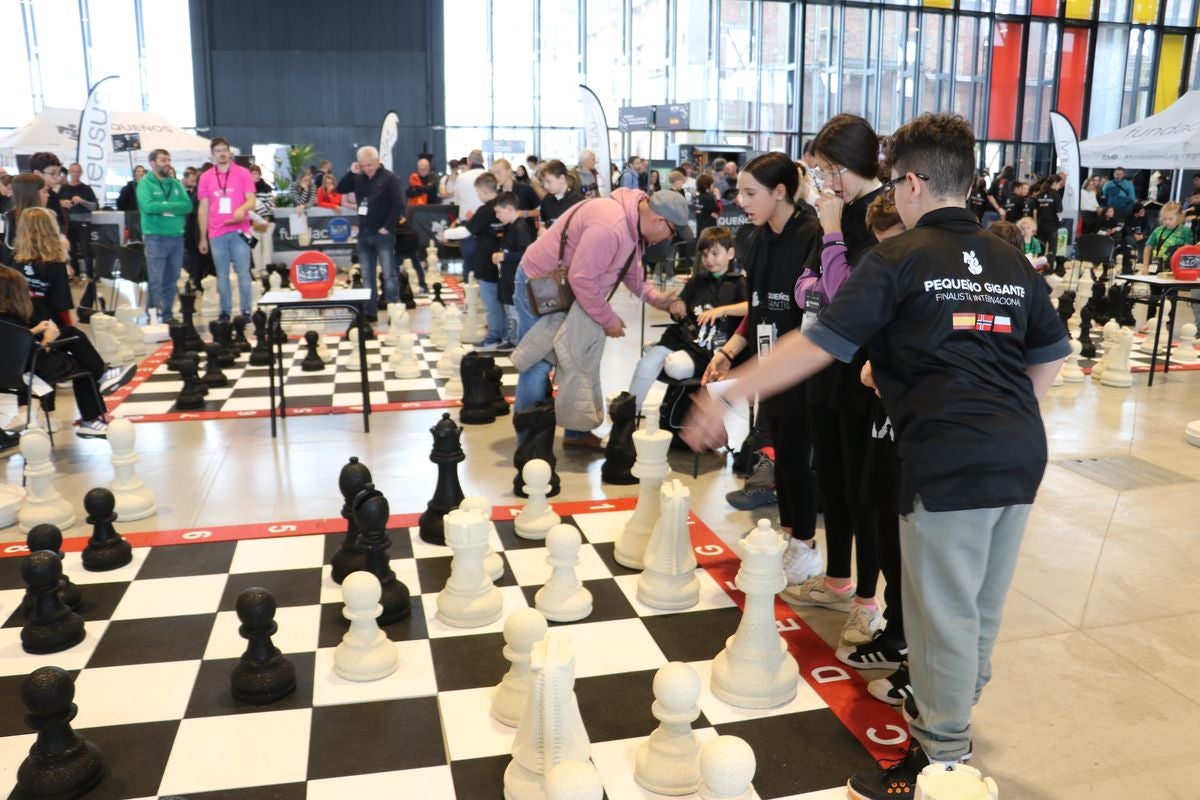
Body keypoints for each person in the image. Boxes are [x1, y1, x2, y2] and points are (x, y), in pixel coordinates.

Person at [685, 113, 1069, 799]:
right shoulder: (1010, 258)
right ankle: (951, 722)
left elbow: (816, 343)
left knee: (939, 615)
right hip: (1018, 452)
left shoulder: (899, 256)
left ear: (914, 182)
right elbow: (1048, 360)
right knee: (976, 609)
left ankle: (940, 760)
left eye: (898, 183)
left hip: (947, 458)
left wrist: (728, 392)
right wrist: (1000, 420)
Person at [789, 113, 886, 646]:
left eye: (830, 170)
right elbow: (807, 285)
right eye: (820, 171)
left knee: (861, 489)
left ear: (854, 163)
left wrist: (830, 235)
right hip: (822, 364)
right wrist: (827, 267)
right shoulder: (836, 209)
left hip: (862, 374)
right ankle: (836, 580)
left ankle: (869, 601)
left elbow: (850, 298)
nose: (825, 182)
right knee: (831, 481)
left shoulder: (882, 211)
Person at [700, 152, 822, 579]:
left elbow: (816, 315)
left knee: (797, 458)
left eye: (751, 193)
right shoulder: (755, 238)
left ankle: (805, 544)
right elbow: (756, 308)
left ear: (781, 192)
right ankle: (791, 534)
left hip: (805, 367)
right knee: (782, 457)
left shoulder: (813, 235)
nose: (741, 201)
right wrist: (729, 351)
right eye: (739, 192)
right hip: (768, 363)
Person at [513, 186, 688, 448]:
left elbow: (628, 268)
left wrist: (654, 297)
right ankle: (529, 445)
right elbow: (582, 280)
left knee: (579, 357)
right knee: (538, 364)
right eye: (670, 233)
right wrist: (608, 319)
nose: (666, 240)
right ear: (658, 220)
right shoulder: (611, 226)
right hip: (541, 288)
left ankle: (576, 432)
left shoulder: (633, 224)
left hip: (567, 293)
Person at [828, 196, 913, 708]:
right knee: (881, 525)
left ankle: (913, 656)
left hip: (916, 434)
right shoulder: (890, 279)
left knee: (909, 546)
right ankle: (895, 632)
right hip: (882, 424)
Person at [628, 225, 746, 412]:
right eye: (705, 255)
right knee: (646, 363)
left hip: (709, 349)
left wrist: (722, 310)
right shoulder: (696, 280)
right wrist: (677, 307)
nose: (709, 260)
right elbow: (680, 309)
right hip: (683, 337)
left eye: (715, 254)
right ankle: (627, 416)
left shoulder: (739, 282)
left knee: (675, 367)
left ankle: (659, 352)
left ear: (730, 253)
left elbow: (751, 308)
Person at [0, 263, 114, 438]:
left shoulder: (7, 323)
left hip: (6, 374)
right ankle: (92, 413)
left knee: (69, 334)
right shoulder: (14, 323)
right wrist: (48, 339)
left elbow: (11, 348)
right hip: (28, 372)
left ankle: (101, 380)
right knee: (82, 361)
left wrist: (32, 332)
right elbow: (30, 359)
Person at [335, 146, 406, 320]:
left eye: (370, 165)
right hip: (364, 233)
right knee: (367, 276)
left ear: (377, 161)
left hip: (383, 234)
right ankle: (370, 312)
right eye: (363, 165)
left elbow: (399, 205)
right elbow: (339, 189)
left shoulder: (390, 178)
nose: (367, 168)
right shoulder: (358, 179)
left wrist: (388, 227)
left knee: (389, 275)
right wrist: (351, 172)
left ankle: (394, 311)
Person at [197, 137, 258, 322]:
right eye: (218, 150)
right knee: (221, 275)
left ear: (230, 152)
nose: (222, 153)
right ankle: (225, 312)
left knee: (244, 273)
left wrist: (242, 208)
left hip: (241, 230)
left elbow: (252, 200)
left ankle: (246, 311)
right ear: (212, 154)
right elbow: (203, 207)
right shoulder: (206, 177)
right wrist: (202, 237)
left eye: (225, 149)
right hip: (216, 232)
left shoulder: (243, 173)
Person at [442, 173, 505, 347]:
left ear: (483, 190)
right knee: (500, 300)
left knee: (490, 300)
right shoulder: (503, 204)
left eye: (477, 192)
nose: (477, 196)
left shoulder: (486, 209)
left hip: (487, 260)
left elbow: (467, 231)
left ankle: (494, 335)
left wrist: (446, 233)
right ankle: (503, 332)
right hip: (501, 258)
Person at [137, 149, 193, 323]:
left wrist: (164, 206)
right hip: (156, 237)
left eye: (168, 159)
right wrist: (172, 206)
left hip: (176, 237)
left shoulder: (175, 184)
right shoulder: (145, 184)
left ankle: (167, 315)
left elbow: (187, 206)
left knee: (172, 279)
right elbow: (148, 206)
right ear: (153, 163)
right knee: (156, 280)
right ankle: (153, 315)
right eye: (163, 160)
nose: (167, 163)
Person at [492, 191, 534, 347]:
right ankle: (513, 339)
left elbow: (527, 252)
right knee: (510, 311)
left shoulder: (520, 226)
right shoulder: (512, 226)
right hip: (508, 275)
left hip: (515, 277)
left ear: (509, 209)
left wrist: (505, 257)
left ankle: (517, 341)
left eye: (498, 212)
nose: (496, 216)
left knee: (515, 311)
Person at [59, 163, 98, 281]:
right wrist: (62, 203)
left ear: (81, 173)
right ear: (69, 172)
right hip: (68, 223)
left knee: (86, 250)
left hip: (84, 222)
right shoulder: (64, 188)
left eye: (77, 172)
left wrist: (82, 201)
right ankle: (74, 275)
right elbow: (57, 203)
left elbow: (95, 206)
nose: (75, 174)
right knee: (71, 250)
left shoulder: (86, 188)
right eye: (73, 171)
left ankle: (90, 276)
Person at [492, 159, 540, 238]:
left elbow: (539, 211)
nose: (496, 176)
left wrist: (524, 213)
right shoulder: (497, 194)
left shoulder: (525, 189)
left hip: (526, 235)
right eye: (493, 174)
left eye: (498, 172)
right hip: (507, 236)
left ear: (509, 171)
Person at [537, 160, 584, 233]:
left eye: (548, 182)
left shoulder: (578, 202)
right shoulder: (546, 201)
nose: (545, 186)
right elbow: (542, 225)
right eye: (544, 182)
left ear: (562, 179)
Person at [29, 153, 68, 234]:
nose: (57, 177)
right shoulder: (26, 195)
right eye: (52, 173)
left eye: (58, 173)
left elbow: (60, 225)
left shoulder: (54, 196)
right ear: (37, 173)